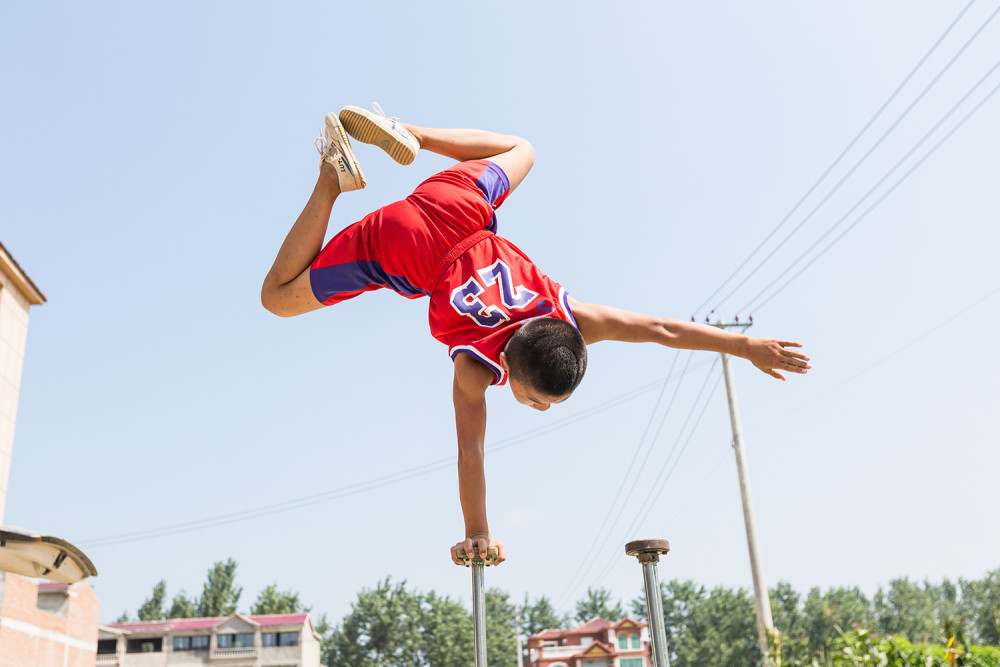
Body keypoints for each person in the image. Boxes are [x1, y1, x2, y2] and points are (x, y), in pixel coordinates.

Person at [260, 104, 811, 566]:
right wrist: (477, 532)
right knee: (278, 298)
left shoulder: (570, 316)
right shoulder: (475, 368)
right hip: (397, 246)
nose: (539, 409)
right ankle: (332, 178)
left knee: (521, 148)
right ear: (512, 375)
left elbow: (660, 328)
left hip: (458, 202)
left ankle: (416, 134)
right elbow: (469, 451)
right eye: (535, 400)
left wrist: (744, 346)